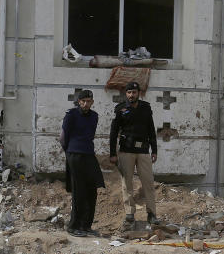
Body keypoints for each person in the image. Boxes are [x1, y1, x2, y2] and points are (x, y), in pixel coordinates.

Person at [109, 81, 159, 231]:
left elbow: (151, 129)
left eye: (134, 92)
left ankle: (151, 214)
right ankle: (129, 215)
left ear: (139, 93)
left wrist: (154, 150)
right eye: (129, 92)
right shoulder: (121, 109)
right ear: (126, 94)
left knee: (148, 183)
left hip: (143, 151)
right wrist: (112, 153)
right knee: (127, 184)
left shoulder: (146, 108)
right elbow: (113, 132)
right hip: (126, 151)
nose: (132, 95)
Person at [60, 89, 104, 237]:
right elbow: (63, 137)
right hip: (75, 154)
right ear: (79, 102)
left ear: (92, 102)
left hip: (89, 154)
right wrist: (69, 151)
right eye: (83, 101)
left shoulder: (94, 116)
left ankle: (86, 225)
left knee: (92, 188)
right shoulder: (71, 115)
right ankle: (73, 226)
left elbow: (90, 135)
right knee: (78, 191)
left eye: (89, 101)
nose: (86, 104)